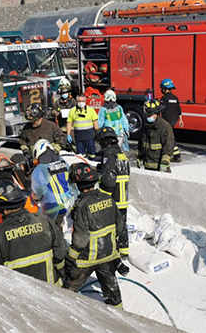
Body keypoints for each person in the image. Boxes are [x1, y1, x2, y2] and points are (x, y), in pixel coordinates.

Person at [63, 162, 124, 308]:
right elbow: (120, 226)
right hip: (108, 255)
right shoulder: (108, 199)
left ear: (78, 185)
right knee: (113, 292)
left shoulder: (82, 205)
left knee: (68, 290)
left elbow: (81, 239)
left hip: (87, 259)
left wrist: (70, 258)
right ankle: (121, 317)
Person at [0, 180, 67, 286]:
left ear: (3, 210)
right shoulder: (43, 221)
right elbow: (60, 252)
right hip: (53, 290)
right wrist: (61, 273)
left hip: (22, 296)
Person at [95, 127, 130, 259]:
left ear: (104, 141)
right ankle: (124, 252)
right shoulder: (121, 154)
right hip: (123, 197)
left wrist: (101, 197)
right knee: (122, 225)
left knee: (110, 226)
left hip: (113, 197)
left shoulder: (109, 155)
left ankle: (112, 252)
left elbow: (109, 179)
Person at [30, 139, 76, 229]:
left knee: (52, 231)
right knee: (59, 227)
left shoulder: (40, 169)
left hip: (52, 206)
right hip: (68, 202)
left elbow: (38, 192)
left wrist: (34, 196)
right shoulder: (63, 161)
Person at [136, 99, 175, 173]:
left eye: (150, 115)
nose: (148, 117)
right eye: (147, 115)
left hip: (159, 167)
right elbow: (141, 143)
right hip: (147, 166)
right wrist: (139, 156)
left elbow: (168, 147)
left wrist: (164, 164)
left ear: (156, 114)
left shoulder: (164, 126)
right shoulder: (146, 126)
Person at [66, 94, 99, 159]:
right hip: (79, 137)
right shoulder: (72, 111)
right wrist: (68, 134)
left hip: (89, 136)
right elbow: (69, 123)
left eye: (83, 101)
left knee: (92, 155)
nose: (81, 102)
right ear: (77, 101)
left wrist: (97, 132)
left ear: (85, 101)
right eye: (79, 101)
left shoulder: (90, 110)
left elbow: (95, 122)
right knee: (81, 156)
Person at [159, 78, 183, 162]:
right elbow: (179, 110)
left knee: (167, 138)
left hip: (166, 121)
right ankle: (176, 155)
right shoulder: (175, 98)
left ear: (165, 89)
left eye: (162, 88)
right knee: (169, 137)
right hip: (173, 121)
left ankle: (175, 156)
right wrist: (180, 120)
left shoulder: (164, 98)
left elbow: (160, 110)